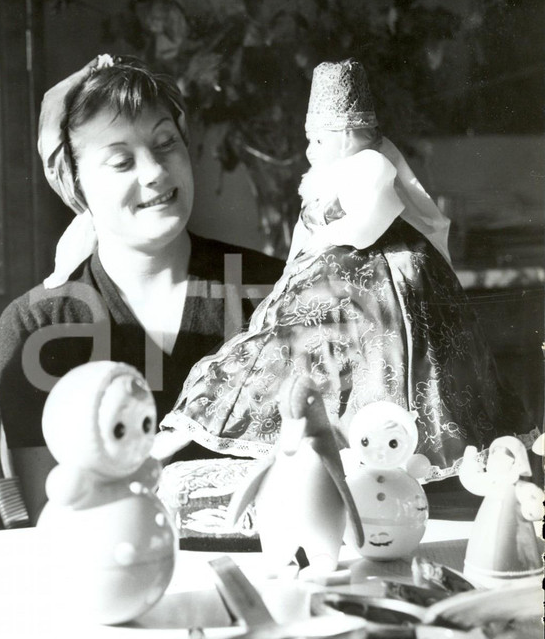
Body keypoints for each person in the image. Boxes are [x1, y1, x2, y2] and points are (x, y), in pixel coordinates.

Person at [159, 59, 533, 477]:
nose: (310, 150)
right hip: (325, 272)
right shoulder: (323, 176)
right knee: (290, 345)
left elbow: (367, 224)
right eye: (310, 139)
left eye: (318, 140)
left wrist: (322, 239)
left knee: (389, 350)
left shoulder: (373, 167)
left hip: (383, 275)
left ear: (346, 137)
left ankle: (406, 450)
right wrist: (294, 270)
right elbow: (304, 231)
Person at [0, 54, 282, 521]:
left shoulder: (273, 293)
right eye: (122, 160)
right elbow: (52, 513)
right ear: (76, 186)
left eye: (166, 143)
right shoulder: (39, 326)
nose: (155, 172)